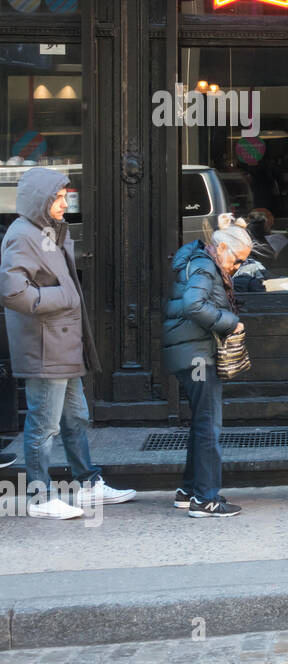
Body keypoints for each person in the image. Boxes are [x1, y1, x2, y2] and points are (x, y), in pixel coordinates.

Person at [1, 167, 136, 519]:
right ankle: (40, 497)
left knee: (76, 417)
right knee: (44, 424)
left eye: (65, 196)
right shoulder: (22, 234)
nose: (65, 203)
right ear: (42, 200)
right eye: (59, 198)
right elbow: (13, 291)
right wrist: (63, 296)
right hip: (45, 347)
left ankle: (87, 485)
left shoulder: (46, 230)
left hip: (62, 345)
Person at [163, 213, 252, 518]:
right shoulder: (205, 267)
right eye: (237, 260)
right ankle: (206, 500)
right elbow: (193, 305)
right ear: (223, 249)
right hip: (198, 356)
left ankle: (190, 491)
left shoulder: (202, 261)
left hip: (191, 352)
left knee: (202, 422)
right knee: (208, 425)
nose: (238, 268)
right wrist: (232, 323)